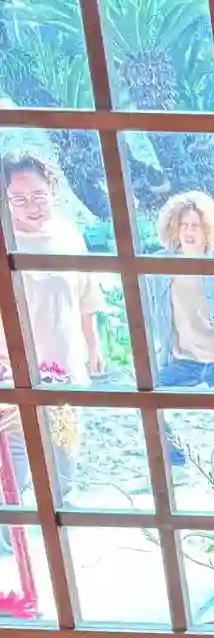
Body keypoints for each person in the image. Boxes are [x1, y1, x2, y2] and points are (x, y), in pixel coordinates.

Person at [2, 148, 106, 505]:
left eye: (38, 195)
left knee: (64, 449)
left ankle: (62, 511)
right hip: (12, 367)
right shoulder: (4, 241)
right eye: (19, 198)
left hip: (65, 361)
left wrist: (93, 343)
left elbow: (86, 293)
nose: (31, 205)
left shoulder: (68, 235)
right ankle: (11, 522)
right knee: (14, 458)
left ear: (53, 190)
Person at [142, 190, 214, 468]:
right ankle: (177, 458)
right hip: (183, 361)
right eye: (184, 224)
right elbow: (149, 311)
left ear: (207, 230)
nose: (189, 231)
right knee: (147, 402)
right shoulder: (159, 266)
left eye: (196, 225)